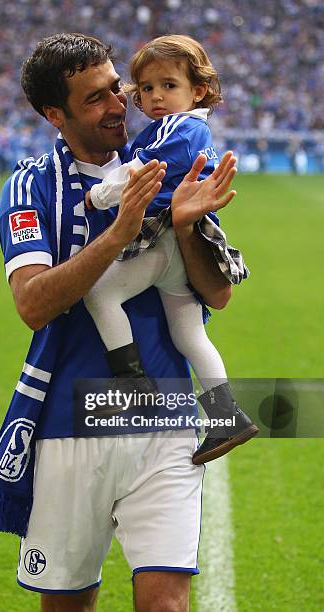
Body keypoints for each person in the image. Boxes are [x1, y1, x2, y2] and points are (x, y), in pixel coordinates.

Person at [0, 33, 243, 612]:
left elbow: (218, 295)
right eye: (95, 99)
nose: (118, 106)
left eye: (116, 89)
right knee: (67, 604)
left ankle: (224, 415)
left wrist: (183, 226)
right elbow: (32, 303)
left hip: (167, 420)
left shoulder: (171, 157)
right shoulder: (31, 187)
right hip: (69, 425)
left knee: (166, 604)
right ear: (55, 114)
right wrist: (118, 233)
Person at [83, 35, 257, 464]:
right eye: (146, 88)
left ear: (197, 90)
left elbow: (141, 172)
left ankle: (132, 385)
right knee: (189, 332)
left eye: (169, 85)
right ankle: (225, 415)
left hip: (162, 236)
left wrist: (98, 196)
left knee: (99, 293)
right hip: (182, 241)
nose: (156, 95)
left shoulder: (183, 127)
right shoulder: (177, 126)